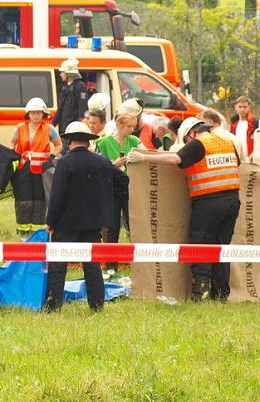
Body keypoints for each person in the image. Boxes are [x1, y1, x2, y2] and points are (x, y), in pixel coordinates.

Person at [129, 116, 241, 302]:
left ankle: (201, 294)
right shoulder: (227, 141)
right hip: (232, 201)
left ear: (191, 133)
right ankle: (221, 294)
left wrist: (143, 157)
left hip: (208, 203)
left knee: (199, 246)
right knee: (221, 248)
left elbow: (176, 159)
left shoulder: (198, 143)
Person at [44, 122, 115, 312]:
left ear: (69, 141)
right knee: (91, 266)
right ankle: (97, 305)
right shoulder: (101, 161)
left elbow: (56, 195)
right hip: (92, 224)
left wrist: (50, 221)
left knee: (58, 265)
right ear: (87, 141)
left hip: (66, 224)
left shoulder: (65, 162)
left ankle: (53, 305)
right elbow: (122, 180)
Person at [10, 97, 61, 239]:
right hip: (23, 169)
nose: (36, 116)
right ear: (28, 114)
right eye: (33, 113)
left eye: (39, 113)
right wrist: (13, 157)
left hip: (42, 170)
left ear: (43, 113)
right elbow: (12, 144)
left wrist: (52, 156)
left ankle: (38, 232)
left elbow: (59, 145)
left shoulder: (49, 129)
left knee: (40, 200)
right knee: (23, 199)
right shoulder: (20, 128)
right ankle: (22, 231)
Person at [96, 112, 144, 242]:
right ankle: (111, 260)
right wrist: (113, 165)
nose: (132, 130)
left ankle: (136, 258)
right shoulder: (103, 143)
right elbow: (97, 168)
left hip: (131, 187)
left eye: (133, 126)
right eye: (129, 126)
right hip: (111, 188)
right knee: (112, 225)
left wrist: (140, 158)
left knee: (133, 223)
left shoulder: (134, 141)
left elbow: (146, 154)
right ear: (118, 125)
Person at [55, 58, 88, 135]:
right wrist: (53, 124)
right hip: (63, 128)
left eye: (62, 72)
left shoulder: (80, 86)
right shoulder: (64, 87)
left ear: (68, 73)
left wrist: (78, 128)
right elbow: (60, 109)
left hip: (73, 130)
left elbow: (82, 110)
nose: (60, 75)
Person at [229, 96, 260, 160]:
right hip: (237, 159)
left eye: (245, 107)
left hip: (252, 159)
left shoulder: (257, 123)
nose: (242, 109)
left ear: (249, 108)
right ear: (235, 107)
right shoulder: (233, 124)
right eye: (240, 107)